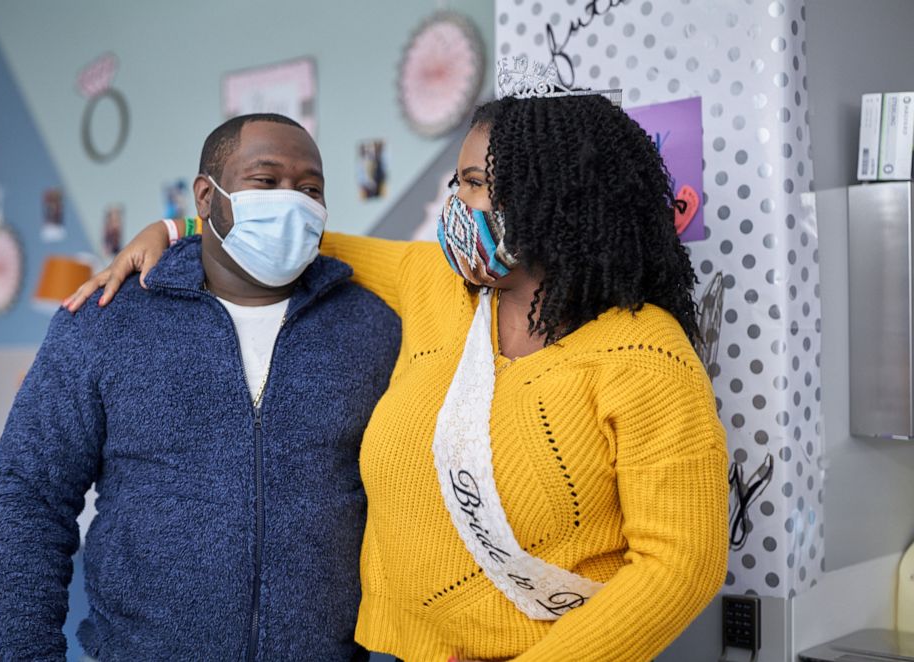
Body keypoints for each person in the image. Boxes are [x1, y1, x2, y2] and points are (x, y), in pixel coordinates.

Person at [68, 81, 729, 661]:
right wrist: (172, 224)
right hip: (389, 652)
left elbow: (679, 568)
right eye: (457, 181)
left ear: (553, 197)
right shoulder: (433, 283)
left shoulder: (646, 356)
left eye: (473, 183)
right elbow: (286, 236)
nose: (456, 201)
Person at [0, 113, 400, 661]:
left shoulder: (371, 327)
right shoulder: (107, 318)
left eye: (310, 188)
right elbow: (30, 496)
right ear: (207, 196)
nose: (291, 201)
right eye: (266, 181)